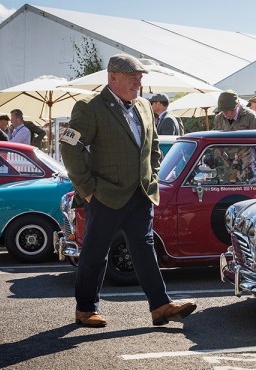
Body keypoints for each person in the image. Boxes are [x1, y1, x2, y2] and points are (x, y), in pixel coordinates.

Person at [60, 53, 197, 328]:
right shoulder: (90, 107)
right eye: (132, 77)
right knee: (96, 252)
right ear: (113, 77)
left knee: (144, 249)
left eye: (140, 77)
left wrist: (153, 175)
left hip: (141, 193)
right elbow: (68, 145)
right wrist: (88, 189)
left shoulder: (145, 106)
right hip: (105, 194)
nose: (138, 82)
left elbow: (154, 146)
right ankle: (85, 309)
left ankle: (160, 306)